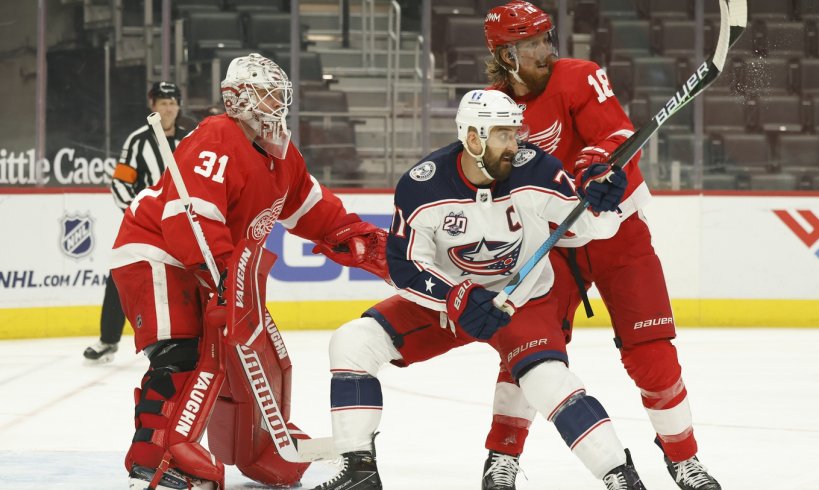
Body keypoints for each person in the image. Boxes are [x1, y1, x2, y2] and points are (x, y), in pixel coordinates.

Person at [312, 89, 648, 490]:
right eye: (504, 135)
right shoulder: (423, 186)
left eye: (515, 133)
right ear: (473, 137)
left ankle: (620, 475)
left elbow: (590, 228)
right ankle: (359, 472)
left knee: (547, 380)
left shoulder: (536, 171)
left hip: (520, 301)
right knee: (353, 342)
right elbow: (406, 267)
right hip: (449, 301)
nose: (516, 144)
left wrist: (604, 203)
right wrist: (455, 296)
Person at [108, 53, 390, 489]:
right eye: (265, 92)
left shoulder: (283, 158)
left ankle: (259, 445)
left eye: (280, 92)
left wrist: (363, 240)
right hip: (158, 253)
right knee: (180, 353)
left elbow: (316, 212)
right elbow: (190, 219)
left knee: (231, 351)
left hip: (208, 267)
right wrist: (223, 271)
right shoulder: (217, 136)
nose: (276, 101)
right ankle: (155, 461)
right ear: (237, 97)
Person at [478, 3, 721, 490]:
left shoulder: (580, 77)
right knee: (527, 350)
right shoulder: (491, 106)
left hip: (618, 233)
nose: (545, 52)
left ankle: (683, 458)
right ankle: (502, 456)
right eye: (531, 45)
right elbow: (492, 174)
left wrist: (595, 167)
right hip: (552, 247)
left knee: (653, 354)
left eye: (547, 40)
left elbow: (615, 135)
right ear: (505, 56)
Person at [83, 81, 188, 364]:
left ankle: (195, 339)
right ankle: (108, 340)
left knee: (193, 278)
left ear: (179, 106)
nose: (168, 108)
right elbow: (120, 183)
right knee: (122, 275)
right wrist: (137, 215)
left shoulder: (190, 140)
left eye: (172, 103)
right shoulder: (137, 141)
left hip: (183, 224)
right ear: (152, 106)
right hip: (146, 227)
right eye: (163, 103)